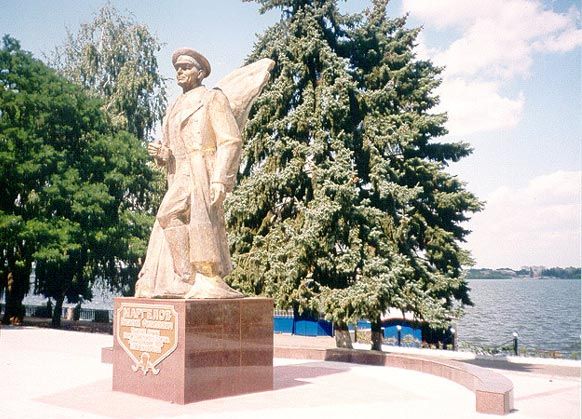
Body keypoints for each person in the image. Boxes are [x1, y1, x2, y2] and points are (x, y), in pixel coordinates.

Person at [135, 48, 243, 298]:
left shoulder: (212, 98)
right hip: (180, 170)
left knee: (169, 213)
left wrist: (219, 178)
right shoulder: (173, 105)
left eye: (186, 67)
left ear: (201, 73)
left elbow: (230, 140)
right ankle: (185, 277)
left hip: (201, 167)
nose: (180, 72)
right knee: (170, 216)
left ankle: (192, 276)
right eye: (177, 68)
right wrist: (163, 153)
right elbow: (173, 146)